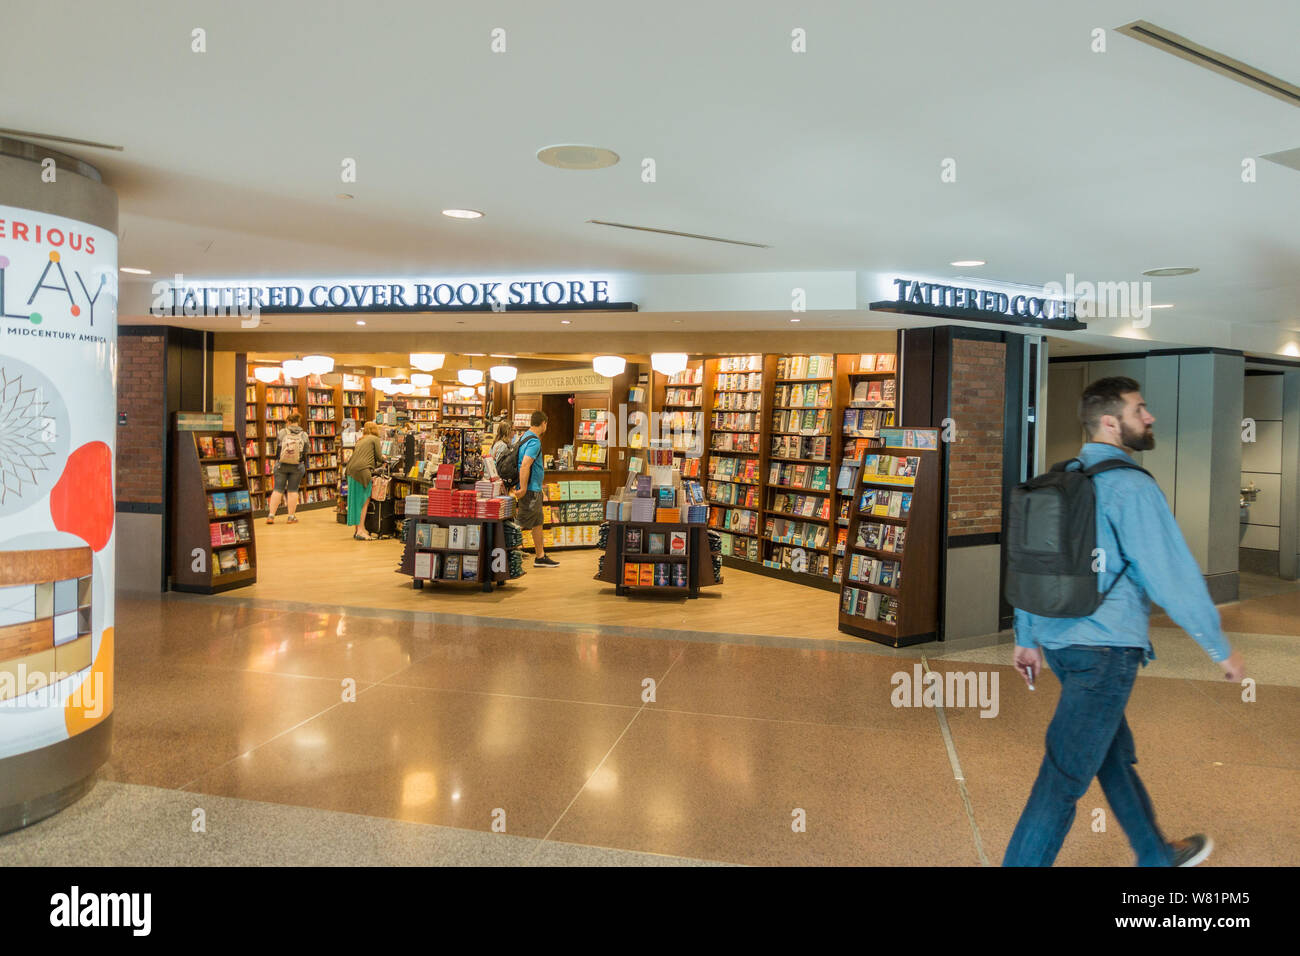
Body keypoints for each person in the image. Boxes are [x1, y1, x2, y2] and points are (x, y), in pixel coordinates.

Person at [1004, 377, 1245, 868]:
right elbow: (1170, 574)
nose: (1150, 417)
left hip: (1060, 642)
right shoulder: (1131, 486)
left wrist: (1027, 638)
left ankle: (1155, 853)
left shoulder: (1058, 478)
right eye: (1141, 409)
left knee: (1111, 754)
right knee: (1062, 780)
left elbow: (1033, 563)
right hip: (1105, 652)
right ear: (1111, 423)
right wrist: (1218, 646)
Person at [510, 410, 557, 567]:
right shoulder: (535, 441)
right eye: (546, 424)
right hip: (530, 489)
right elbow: (525, 465)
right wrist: (523, 488)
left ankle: (540, 555)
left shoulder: (523, 437)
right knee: (520, 523)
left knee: (537, 522)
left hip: (532, 488)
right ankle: (504, 550)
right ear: (544, 423)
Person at [266, 412, 308, 524]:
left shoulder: (282, 432)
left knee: (278, 489)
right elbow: (305, 453)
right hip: (297, 466)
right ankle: (291, 517)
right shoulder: (304, 435)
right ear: (298, 422)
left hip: (282, 465)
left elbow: (278, 450)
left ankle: (271, 516)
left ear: (288, 422)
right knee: (293, 491)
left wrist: (278, 460)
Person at [345, 421, 384, 541]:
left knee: (355, 501)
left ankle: (358, 529)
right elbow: (378, 457)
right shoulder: (374, 439)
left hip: (351, 470)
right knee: (364, 501)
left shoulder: (361, 440)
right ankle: (361, 531)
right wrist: (384, 459)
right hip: (362, 471)